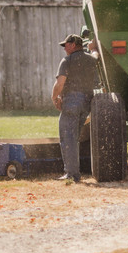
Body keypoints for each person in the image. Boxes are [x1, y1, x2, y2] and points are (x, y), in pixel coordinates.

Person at [51, 33, 99, 182]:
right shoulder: (91, 60)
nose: (64, 48)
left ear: (73, 45)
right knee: (75, 137)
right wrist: (94, 48)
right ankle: (72, 172)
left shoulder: (67, 60)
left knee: (68, 138)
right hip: (87, 102)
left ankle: (72, 174)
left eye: (66, 45)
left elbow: (60, 84)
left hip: (71, 100)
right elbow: (96, 56)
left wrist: (55, 97)